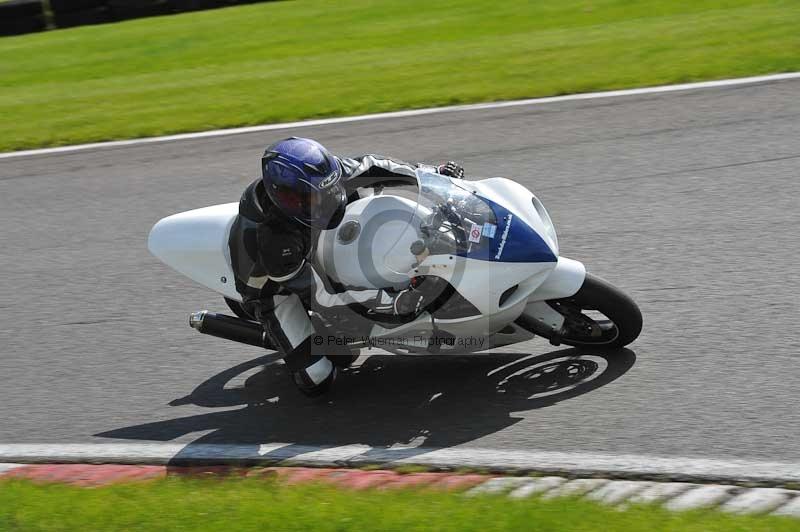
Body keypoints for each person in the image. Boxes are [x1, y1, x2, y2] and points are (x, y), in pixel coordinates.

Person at [229, 137, 464, 396]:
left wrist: (433, 174)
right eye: (316, 197)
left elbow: (376, 167)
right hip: (277, 290)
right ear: (287, 199)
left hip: (313, 245)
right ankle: (278, 338)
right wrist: (391, 301)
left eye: (328, 189)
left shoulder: (323, 180)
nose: (328, 199)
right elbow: (321, 295)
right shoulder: (274, 239)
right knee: (320, 377)